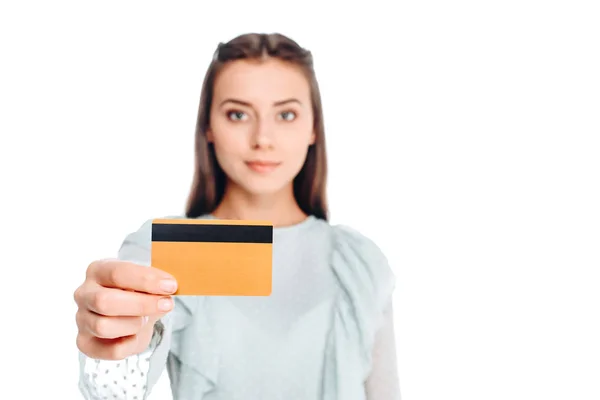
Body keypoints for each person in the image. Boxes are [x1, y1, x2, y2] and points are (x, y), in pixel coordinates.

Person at [74, 32, 401, 400]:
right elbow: (113, 389)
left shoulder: (359, 262)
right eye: (238, 114)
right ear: (209, 127)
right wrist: (109, 339)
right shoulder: (167, 250)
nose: (263, 138)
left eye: (286, 114)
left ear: (313, 129)